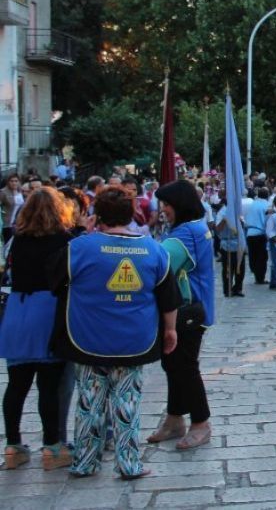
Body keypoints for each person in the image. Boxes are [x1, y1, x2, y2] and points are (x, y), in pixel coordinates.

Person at [50, 187, 180, 479]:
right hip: (133, 340)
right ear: (131, 213)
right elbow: (168, 297)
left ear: (98, 216)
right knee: (127, 403)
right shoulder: (154, 250)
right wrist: (170, 331)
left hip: (87, 338)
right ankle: (129, 463)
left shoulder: (79, 248)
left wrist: (82, 233)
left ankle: (85, 461)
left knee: (89, 403)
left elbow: (55, 282)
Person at [0, 188, 74, 471]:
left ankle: (13, 445)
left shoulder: (16, 241)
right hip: (48, 312)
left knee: (16, 384)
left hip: (19, 311)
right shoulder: (64, 241)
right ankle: (52, 447)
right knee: (48, 385)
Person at [146, 180, 216, 451]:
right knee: (173, 365)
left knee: (185, 368)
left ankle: (201, 424)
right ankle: (175, 419)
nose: (163, 210)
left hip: (187, 310)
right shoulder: (194, 227)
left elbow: (160, 263)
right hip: (187, 307)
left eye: (166, 204)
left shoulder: (186, 233)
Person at [214, 192, 246, 297]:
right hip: (227, 243)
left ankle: (238, 288)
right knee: (228, 268)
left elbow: (244, 225)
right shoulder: (222, 212)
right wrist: (225, 219)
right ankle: (227, 289)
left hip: (238, 243)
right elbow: (217, 229)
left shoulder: (238, 211)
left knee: (240, 268)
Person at [243, 187, 271, 286]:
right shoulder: (267, 205)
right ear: (267, 195)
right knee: (262, 257)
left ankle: (255, 273)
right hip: (260, 233)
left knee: (252, 255)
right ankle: (260, 278)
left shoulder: (252, 204)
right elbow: (268, 220)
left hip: (250, 232)